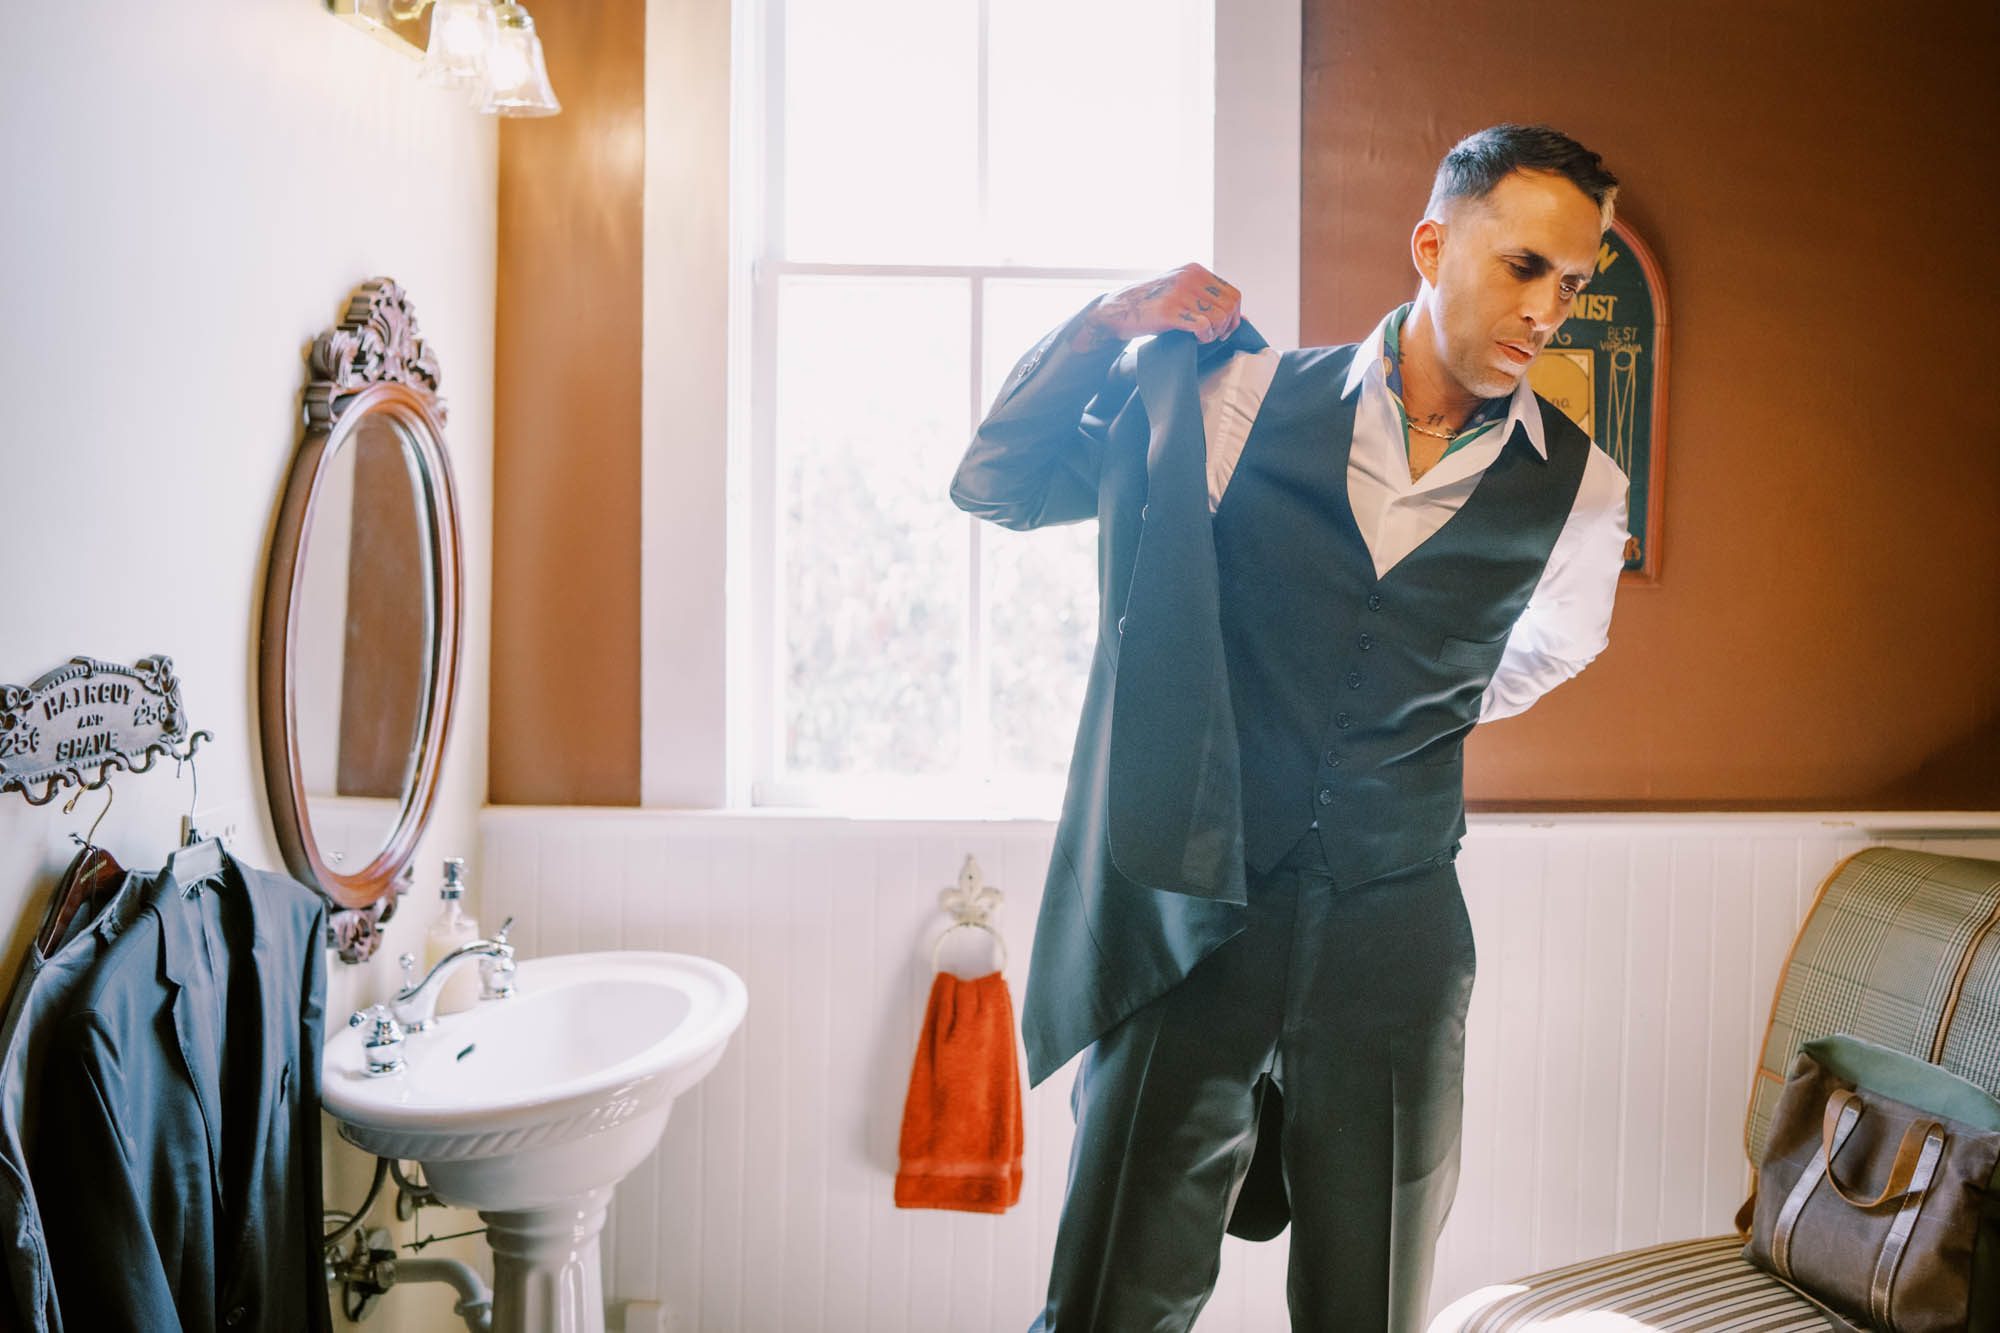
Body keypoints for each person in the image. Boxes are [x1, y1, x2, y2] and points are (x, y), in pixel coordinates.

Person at [950, 124, 1631, 1331]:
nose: (1549, 309)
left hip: (1396, 939)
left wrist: (1418, 695)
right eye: (1524, 267)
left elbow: (1556, 647)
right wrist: (1109, 319)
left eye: (1572, 285)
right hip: (1197, 916)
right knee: (1111, 1292)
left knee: (1365, 1301)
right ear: (1432, 244)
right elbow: (1000, 482)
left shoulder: (1579, 488)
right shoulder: (1233, 397)